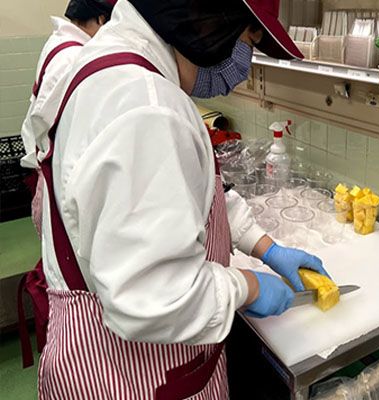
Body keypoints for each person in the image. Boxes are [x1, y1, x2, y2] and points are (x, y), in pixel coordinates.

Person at [38, 0, 327, 398]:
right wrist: (247, 287)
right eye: (247, 40)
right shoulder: (148, 107)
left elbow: (191, 195)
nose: (242, 68)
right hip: (130, 378)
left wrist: (265, 247)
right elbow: (150, 294)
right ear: (209, 20)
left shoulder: (113, 67)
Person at [20, 0, 116, 237]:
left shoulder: (59, 42)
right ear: (101, 20)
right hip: (57, 170)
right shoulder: (74, 57)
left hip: (49, 164)